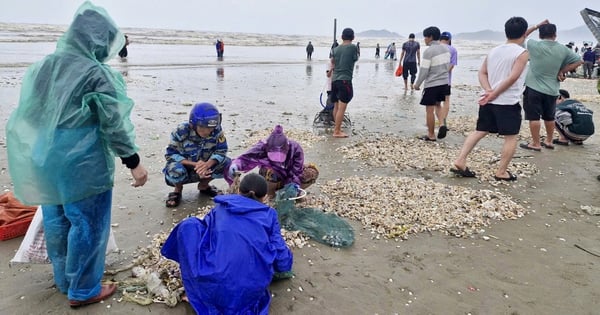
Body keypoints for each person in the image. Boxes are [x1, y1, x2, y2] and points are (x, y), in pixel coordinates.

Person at [5, 1, 148, 307]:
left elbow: (29, 114)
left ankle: (65, 279)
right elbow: (114, 124)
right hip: (81, 160)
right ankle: (83, 289)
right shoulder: (97, 75)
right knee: (87, 222)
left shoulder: (44, 67)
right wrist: (134, 162)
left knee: (57, 218)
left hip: (44, 155)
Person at [161, 173, 293, 314]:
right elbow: (283, 262)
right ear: (265, 197)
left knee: (190, 225)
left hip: (212, 286)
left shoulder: (221, 207)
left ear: (238, 191)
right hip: (248, 293)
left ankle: (195, 289)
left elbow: (205, 234)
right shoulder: (270, 215)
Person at [451, 16, 530, 181]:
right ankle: (501, 172)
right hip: (507, 101)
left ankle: (461, 159)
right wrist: (493, 93)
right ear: (524, 33)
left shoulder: (494, 50)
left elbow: (482, 73)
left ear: (506, 32)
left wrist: (488, 90)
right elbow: (513, 77)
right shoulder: (522, 53)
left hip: (488, 100)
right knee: (511, 136)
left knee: (480, 130)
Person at [520, 21, 583, 151]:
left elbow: (522, 35)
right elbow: (579, 60)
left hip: (533, 87)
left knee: (534, 117)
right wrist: (562, 71)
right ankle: (549, 141)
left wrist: (537, 25)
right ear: (555, 34)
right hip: (552, 89)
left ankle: (536, 143)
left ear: (540, 34)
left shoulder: (533, 44)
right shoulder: (563, 49)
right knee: (549, 117)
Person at [163, 102, 231, 207]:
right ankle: (178, 189)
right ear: (193, 124)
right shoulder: (181, 130)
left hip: (206, 169)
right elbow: (171, 154)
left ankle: (204, 186)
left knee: (228, 164)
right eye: (203, 127)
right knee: (174, 169)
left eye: (210, 128)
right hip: (184, 168)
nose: (207, 131)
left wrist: (207, 164)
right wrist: (195, 165)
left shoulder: (217, 130)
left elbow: (221, 151)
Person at [228, 125, 319, 197]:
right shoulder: (262, 146)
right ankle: (269, 195)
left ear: (286, 147)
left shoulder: (295, 148)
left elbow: (297, 170)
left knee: (312, 172)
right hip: (272, 177)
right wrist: (236, 165)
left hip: (288, 175)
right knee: (270, 172)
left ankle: (292, 192)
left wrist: (294, 184)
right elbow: (246, 158)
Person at [413, 26, 450, 141]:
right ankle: (442, 124)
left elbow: (424, 70)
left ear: (431, 37)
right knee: (438, 105)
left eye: (425, 37)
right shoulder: (446, 49)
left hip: (432, 83)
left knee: (429, 109)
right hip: (444, 82)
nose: (424, 39)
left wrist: (417, 84)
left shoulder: (429, 51)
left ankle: (431, 134)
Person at [330, 28, 359, 138]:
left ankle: (336, 128)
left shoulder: (336, 49)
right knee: (342, 107)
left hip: (335, 80)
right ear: (353, 37)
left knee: (336, 106)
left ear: (342, 37)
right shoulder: (353, 47)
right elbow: (355, 58)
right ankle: (337, 131)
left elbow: (332, 62)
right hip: (345, 79)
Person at [437, 31, 458, 139]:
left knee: (437, 103)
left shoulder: (436, 48)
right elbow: (452, 65)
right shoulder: (453, 49)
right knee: (446, 101)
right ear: (449, 39)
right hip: (446, 81)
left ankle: (440, 122)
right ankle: (444, 121)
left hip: (435, 80)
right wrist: (445, 72)